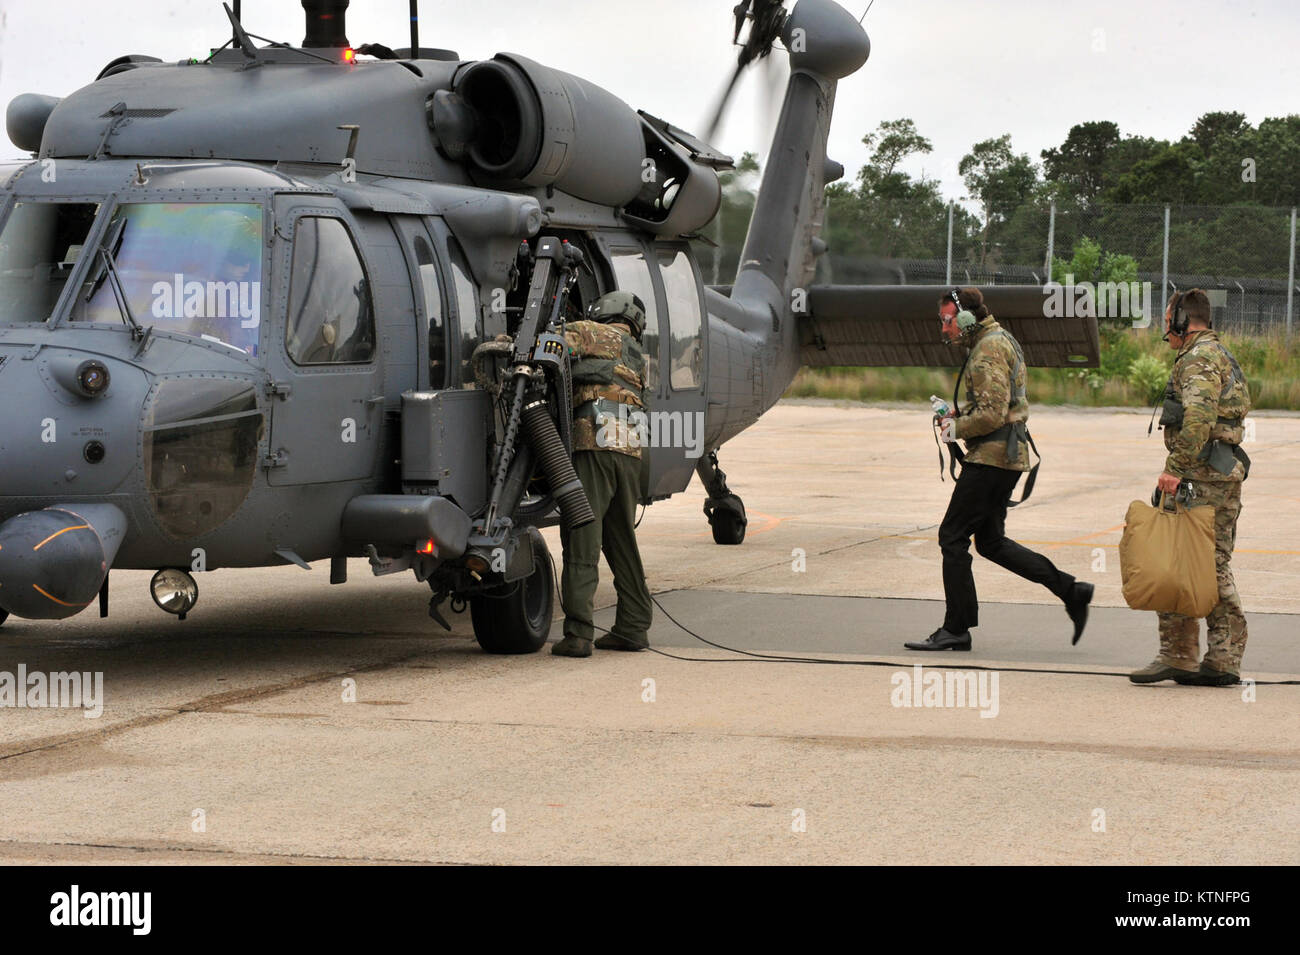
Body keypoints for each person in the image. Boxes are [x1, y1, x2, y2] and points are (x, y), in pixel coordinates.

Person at [907, 287, 1094, 651]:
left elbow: (992, 415)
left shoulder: (987, 349)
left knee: (952, 536)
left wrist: (955, 428)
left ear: (965, 319)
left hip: (993, 459)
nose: (944, 329)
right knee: (990, 543)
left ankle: (956, 628)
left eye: (947, 321)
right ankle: (1071, 591)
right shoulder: (998, 338)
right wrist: (959, 415)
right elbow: (997, 406)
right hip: (1004, 457)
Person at [1130, 290, 1251, 686]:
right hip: (1206, 475)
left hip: (1204, 479)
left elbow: (1198, 417)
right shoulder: (1211, 353)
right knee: (1180, 562)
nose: (1166, 330)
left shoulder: (1199, 358)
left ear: (1182, 321)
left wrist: (1174, 469)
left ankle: (1220, 658)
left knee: (1207, 566)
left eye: (1168, 322)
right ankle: (1183, 656)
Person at [551, 291, 655, 658]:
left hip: (593, 443)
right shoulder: (639, 357)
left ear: (604, 311)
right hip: (629, 451)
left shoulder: (590, 331)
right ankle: (633, 627)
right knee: (620, 539)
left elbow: (547, 346)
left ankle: (579, 634)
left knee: (582, 536)